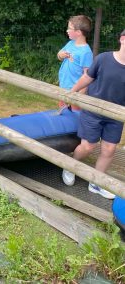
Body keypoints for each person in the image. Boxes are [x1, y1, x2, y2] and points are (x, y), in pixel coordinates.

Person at [61, 29, 125, 199]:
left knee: (109, 149)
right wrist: (72, 93)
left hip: (116, 115)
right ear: (122, 40)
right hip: (93, 110)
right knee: (88, 146)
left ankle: (96, 183)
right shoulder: (104, 59)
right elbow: (87, 78)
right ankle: (70, 165)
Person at [57, 15, 93, 98]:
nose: (67, 30)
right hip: (63, 87)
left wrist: (78, 97)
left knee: (73, 111)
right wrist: (60, 55)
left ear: (78, 32)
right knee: (63, 110)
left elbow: (87, 78)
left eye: (69, 28)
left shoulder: (86, 52)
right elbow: (59, 55)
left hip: (75, 93)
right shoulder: (70, 43)